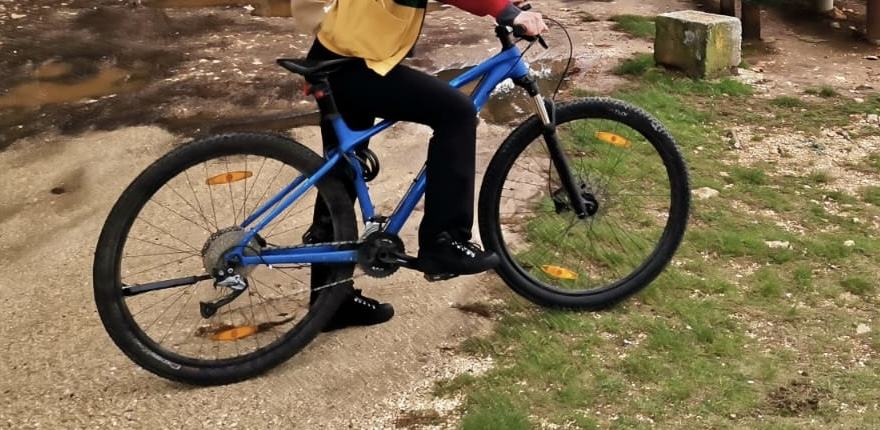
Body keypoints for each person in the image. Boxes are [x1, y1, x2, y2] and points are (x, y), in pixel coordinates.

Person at [301, 0, 548, 331]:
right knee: (456, 113)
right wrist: (506, 11)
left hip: (340, 57)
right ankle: (443, 244)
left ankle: (330, 302)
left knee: (342, 177)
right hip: (354, 64)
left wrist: (505, 5)